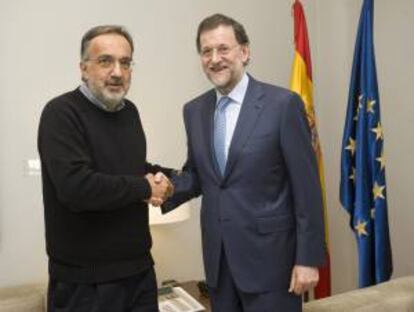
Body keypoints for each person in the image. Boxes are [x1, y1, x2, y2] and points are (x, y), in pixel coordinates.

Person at [162, 14, 325, 312]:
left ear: (244, 52)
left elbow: (307, 188)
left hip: (273, 265)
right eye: (206, 51)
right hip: (219, 265)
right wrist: (161, 184)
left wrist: (308, 259)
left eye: (223, 49)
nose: (214, 59)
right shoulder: (194, 111)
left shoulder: (283, 105)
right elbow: (199, 175)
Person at [38, 25, 173, 312]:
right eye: (105, 61)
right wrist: (146, 187)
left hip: (140, 274)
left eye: (125, 62)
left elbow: (133, 167)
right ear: (83, 68)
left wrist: (174, 178)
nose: (117, 72)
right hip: (85, 286)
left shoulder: (130, 112)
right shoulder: (60, 113)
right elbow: (77, 188)